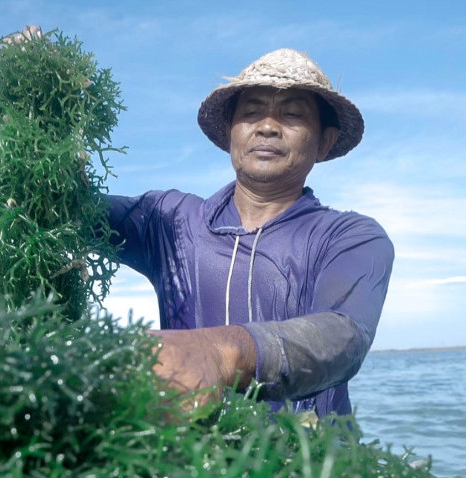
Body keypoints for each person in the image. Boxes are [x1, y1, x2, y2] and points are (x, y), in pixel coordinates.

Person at [106, 49, 394, 418]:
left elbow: (344, 335)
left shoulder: (349, 236)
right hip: (193, 458)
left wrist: (220, 351)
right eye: (251, 112)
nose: (268, 126)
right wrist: (32, 92)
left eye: (292, 114)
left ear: (324, 141)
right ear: (230, 132)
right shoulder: (169, 220)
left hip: (309, 464)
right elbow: (62, 208)